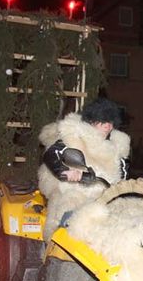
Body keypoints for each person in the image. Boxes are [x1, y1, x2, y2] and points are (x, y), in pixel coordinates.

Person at [38, 97, 131, 242]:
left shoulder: (116, 146)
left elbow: (123, 172)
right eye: (102, 121)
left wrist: (122, 188)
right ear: (91, 121)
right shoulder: (75, 136)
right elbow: (51, 154)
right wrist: (66, 172)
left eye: (110, 122)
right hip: (76, 190)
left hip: (106, 196)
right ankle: (53, 249)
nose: (107, 126)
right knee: (67, 214)